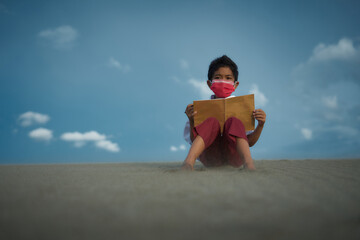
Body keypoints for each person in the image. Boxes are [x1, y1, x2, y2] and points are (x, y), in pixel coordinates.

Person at [182, 55, 266, 171]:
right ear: (209, 84)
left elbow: (249, 142)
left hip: (234, 157)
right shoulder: (200, 109)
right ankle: (188, 163)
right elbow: (193, 140)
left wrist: (260, 125)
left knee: (234, 121)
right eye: (217, 77)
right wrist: (192, 121)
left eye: (228, 78)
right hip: (210, 157)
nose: (223, 81)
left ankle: (249, 164)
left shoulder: (243, 107)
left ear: (235, 84)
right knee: (211, 121)